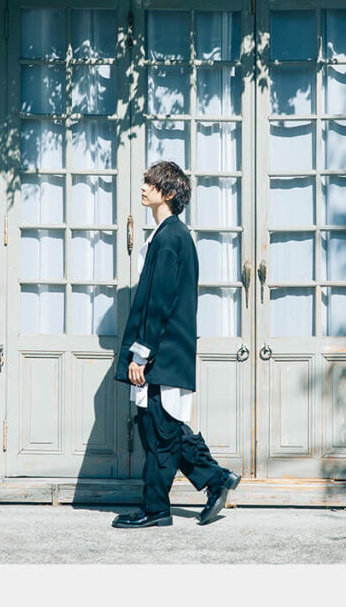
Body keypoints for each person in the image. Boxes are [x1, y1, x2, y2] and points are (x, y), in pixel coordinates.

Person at [111, 160, 241, 528]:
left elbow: (159, 302)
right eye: (145, 181)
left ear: (168, 193)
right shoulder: (169, 235)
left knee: (160, 433)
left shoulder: (170, 238)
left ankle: (158, 508)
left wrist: (141, 354)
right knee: (161, 428)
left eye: (151, 183)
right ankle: (215, 480)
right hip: (166, 352)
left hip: (163, 354)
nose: (143, 188)